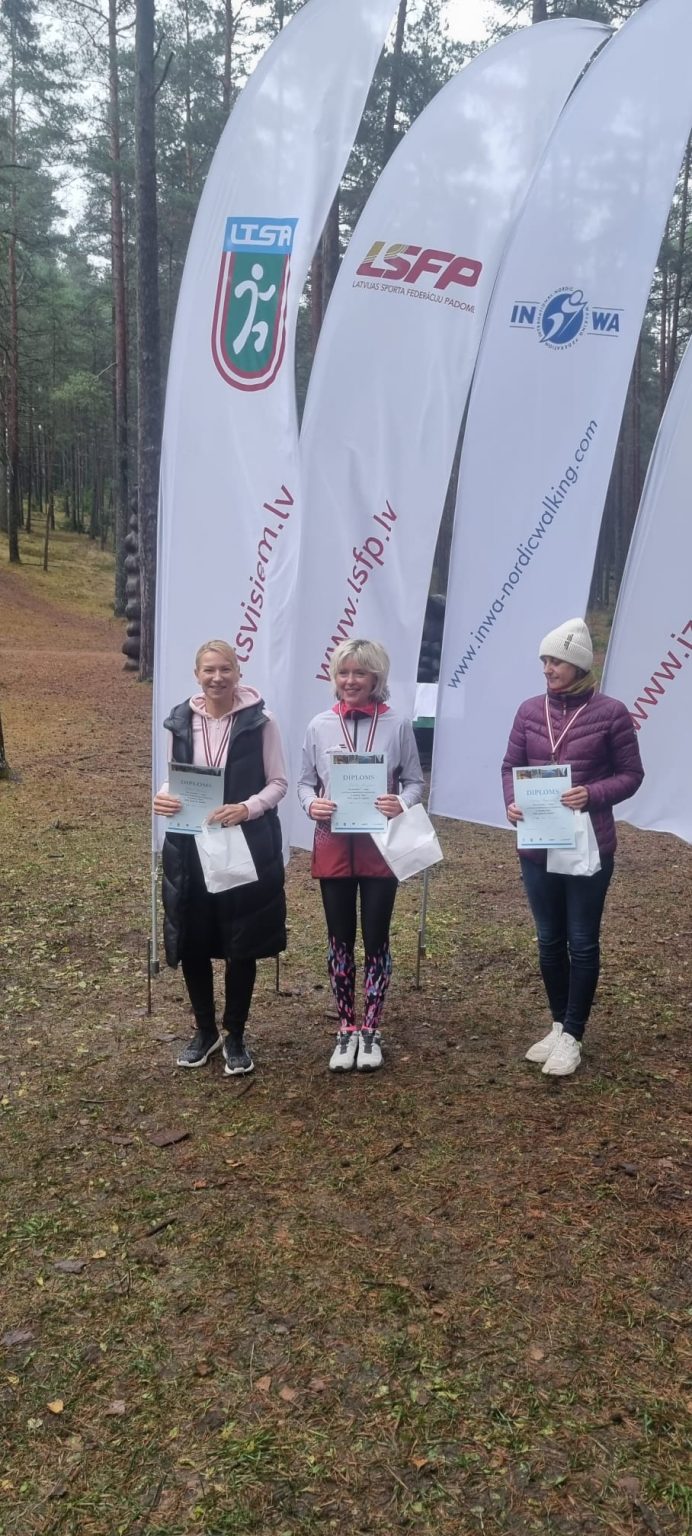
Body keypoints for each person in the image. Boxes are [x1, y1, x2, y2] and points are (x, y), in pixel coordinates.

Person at [502, 617, 644, 1077]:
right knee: (549, 939)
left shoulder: (611, 713)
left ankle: (574, 1035)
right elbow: (510, 766)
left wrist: (592, 794)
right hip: (538, 846)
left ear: (579, 666)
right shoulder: (529, 710)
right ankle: (559, 1024)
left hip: (588, 845)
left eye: (556, 661)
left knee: (581, 941)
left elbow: (631, 775)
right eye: (544, 660)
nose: (547, 668)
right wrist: (512, 802)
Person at [153, 640, 287, 1074]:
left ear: (238, 672)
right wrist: (163, 796)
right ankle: (205, 1031)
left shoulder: (262, 721)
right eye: (209, 670)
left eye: (225, 669)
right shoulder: (179, 721)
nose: (217, 677)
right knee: (193, 939)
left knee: (240, 941)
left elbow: (278, 783)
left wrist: (248, 808)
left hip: (242, 843)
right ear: (197, 675)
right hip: (190, 846)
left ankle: (236, 1035)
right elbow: (174, 779)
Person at [298, 639, 424, 1073]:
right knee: (339, 940)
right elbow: (304, 782)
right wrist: (311, 804)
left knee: (376, 937)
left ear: (376, 678)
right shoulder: (319, 725)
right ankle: (345, 1027)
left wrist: (400, 802)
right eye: (344, 672)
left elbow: (414, 781)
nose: (350, 680)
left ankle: (371, 1029)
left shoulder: (397, 724)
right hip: (333, 845)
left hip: (379, 847)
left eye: (360, 673)